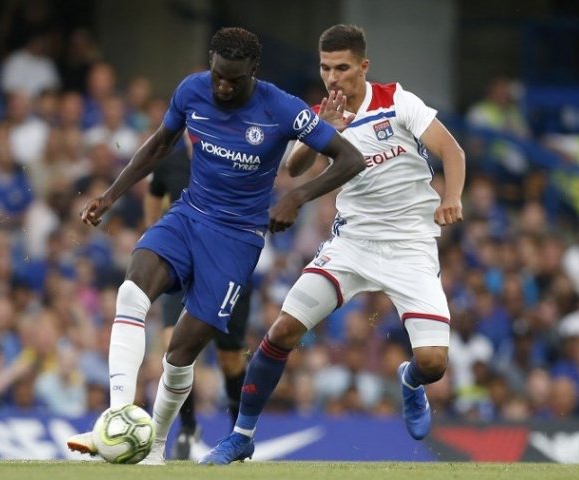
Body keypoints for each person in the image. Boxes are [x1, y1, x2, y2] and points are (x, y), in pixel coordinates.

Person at [66, 27, 364, 465]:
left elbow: (350, 158)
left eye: (234, 80)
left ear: (253, 72)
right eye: (218, 76)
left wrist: (297, 196)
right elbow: (159, 144)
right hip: (188, 216)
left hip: (236, 242)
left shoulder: (281, 108)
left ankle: (157, 445)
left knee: (179, 353)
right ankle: (117, 413)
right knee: (131, 293)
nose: (223, 87)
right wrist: (111, 194)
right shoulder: (191, 90)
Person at [201, 24, 466, 464]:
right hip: (352, 242)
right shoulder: (321, 111)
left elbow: (452, 151)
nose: (332, 77)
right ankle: (241, 435)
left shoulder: (397, 101)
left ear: (363, 66)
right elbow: (295, 167)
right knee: (283, 329)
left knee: (434, 361)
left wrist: (452, 196)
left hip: (410, 246)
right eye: (325, 67)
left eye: (341, 67)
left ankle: (411, 381)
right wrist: (321, 128)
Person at [144, 137, 253, 460]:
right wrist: (157, 236)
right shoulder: (169, 162)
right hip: (183, 268)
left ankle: (239, 434)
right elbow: (153, 193)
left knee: (230, 359)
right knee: (172, 344)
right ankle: (189, 427)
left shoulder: (236, 162)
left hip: (228, 266)